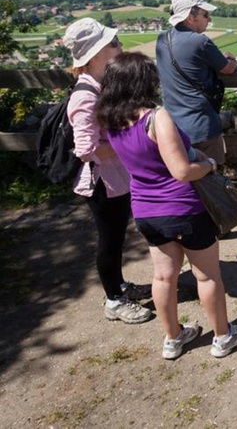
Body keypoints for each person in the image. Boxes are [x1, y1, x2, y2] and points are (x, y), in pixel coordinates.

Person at [96, 52, 237, 360]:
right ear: (144, 81)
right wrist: (208, 164)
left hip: (146, 211)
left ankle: (173, 338)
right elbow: (181, 171)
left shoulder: (112, 121)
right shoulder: (156, 118)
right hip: (183, 208)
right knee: (207, 276)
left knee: (163, 277)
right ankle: (223, 337)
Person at [63, 18, 153, 325]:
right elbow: (86, 149)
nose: (120, 45)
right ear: (94, 54)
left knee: (117, 238)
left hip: (116, 178)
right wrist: (128, 140)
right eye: (113, 43)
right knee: (110, 241)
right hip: (102, 182)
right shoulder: (85, 96)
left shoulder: (102, 86)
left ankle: (120, 286)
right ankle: (114, 300)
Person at [155, 0, 237, 165]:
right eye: (205, 15)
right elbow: (228, 69)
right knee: (210, 173)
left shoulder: (162, 39)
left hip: (173, 127)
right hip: (202, 125)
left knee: (182, 176)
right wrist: (231, 59)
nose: (209, 19)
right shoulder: (200, 42)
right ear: (190, 17)